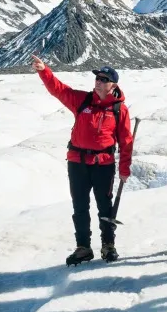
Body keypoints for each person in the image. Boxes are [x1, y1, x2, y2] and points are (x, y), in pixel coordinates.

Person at [31, 55, 133, 266]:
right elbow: (59, 90)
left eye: (104, 79)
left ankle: (108, 245)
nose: (99, 81)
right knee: (80, 206)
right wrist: (44, 71)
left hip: (103, 164)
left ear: (113, 84)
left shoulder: (118, 110)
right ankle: (83, 247)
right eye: (97, 78)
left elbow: (126, 141)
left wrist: (124, 168)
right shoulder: (83, 100)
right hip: (77, 162)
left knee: (105, 206)